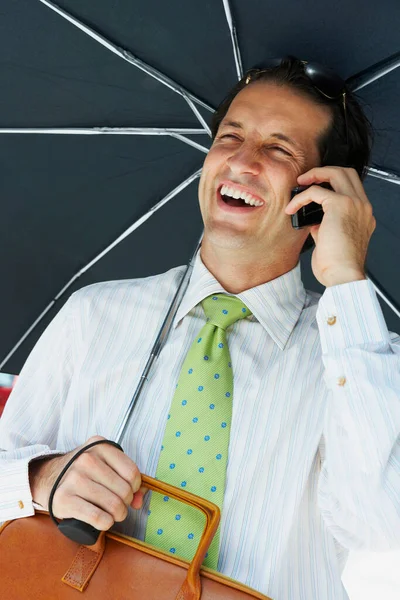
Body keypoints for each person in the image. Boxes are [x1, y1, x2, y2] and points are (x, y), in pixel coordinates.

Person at [1, 56, 399, 600]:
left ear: (321, 197)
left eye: (279, 149)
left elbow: (379, 524)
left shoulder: (360, 360)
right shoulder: (95, 315)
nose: (240, 160)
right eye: (230, 136)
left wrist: (348, 282)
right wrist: (42, 478)